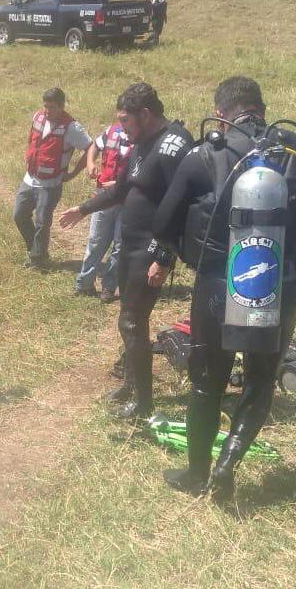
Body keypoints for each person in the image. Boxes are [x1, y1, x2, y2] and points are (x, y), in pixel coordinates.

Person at [153, 76, 296, 500]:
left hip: (219, 284)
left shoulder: (206, 153)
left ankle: (196, 473)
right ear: (261, 106)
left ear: (221, 114)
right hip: (285, 280)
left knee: (207, 383)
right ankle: (228, 466)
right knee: (259, 381)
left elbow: (163, 222)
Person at [60, 83, 193, 420]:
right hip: (129, 246)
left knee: (132, 322)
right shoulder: (142, 144)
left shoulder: (173, 147)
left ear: (145, 115)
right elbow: (121, 190)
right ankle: (133, 383)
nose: (121, 128)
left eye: (126, 121)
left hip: (149, 249)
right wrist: (83, 208)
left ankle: (144, 403)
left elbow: (184, 207)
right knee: (130, 322)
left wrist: (165, 257)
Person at [16, 87, 93, 269]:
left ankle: (38, 260)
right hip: (30, 179)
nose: (47, 111)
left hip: (50, 185)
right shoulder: (38, 117)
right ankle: (35, 250)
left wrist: (73, 173)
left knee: (42, 222)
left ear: (62, 106)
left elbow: (91, 148)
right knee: (19, 215)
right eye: (45, 107)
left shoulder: (72, 127)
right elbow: (33, 141)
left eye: (52, 107)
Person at [73, 104, 134, 301]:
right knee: (96, 240)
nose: (122, 123)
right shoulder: (112, 131)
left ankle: (109, 287)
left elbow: (145, 173)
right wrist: (90, 163)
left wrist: (120, 183)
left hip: (127, 201)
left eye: (126, 119)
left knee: (120, 246)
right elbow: (95, 146)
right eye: (120, 118)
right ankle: (84, 283)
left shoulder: (143, 139)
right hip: (103, 197)